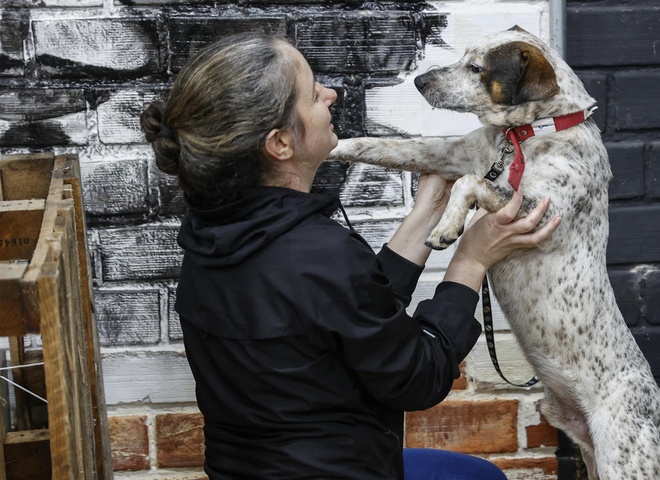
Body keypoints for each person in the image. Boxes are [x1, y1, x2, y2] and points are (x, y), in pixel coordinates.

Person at [139, 32, 560, 480]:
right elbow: (419, 376)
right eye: (312, 93)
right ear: (280, 143)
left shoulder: (211, 235)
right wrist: (471, 261)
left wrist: (427, 212)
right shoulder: (321, 255)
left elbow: (345, 314)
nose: (330, 94)